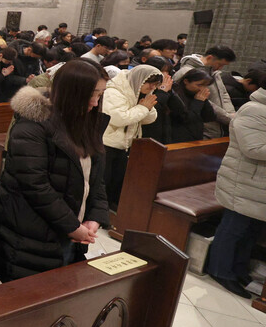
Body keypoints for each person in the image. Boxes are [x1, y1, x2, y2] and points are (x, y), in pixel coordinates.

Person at [0, 60, 110, 281]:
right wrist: (72, 226)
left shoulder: (87, 123)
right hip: (31, 232)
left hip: (69, 230)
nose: (95, 101)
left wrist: (94, 216)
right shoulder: (32, 126)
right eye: (91, 94)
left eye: (100, 94)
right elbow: (35, 185)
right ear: (71, 92)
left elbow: (94, 178)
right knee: (28, 298)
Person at [206, 86, 266, 298]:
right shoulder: (254, 110)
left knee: (252, 230)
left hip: (257, 184)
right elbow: (253, 148)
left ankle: (239, 269)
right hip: (243, 181)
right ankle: (220, 270)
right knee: (234, 228)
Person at [101, 65, 162, 208]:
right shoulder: (114, 92)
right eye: (150, 82)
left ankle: (110, 208)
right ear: (140, 79)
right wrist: (142, 108)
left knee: (117, 180)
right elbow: (118, 118)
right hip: (107, 142)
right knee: (103, 180)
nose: (152, 87)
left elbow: (148, 118)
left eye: (156, 84)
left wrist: (145, 107)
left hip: (125, 143)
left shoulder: (138, 91)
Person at [173, 45, 237, 138]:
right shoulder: (186, 72)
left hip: (220, 121)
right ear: (210, 57)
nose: (220, 68)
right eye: (220, 64)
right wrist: (227, 117)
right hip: (203, 124)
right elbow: (203, 99)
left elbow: (223, 94)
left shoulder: (214, 72)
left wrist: (231, 113)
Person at [168, 68, 217, 143]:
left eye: (206, 86)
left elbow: (209, 117)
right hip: (177, 138)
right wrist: (198, 102)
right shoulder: (175, 95)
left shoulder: (197, 94)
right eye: (199, 85)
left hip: (195, 137)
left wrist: (204, 101)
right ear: (186, 81)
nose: (202, 89)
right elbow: (186, 119)